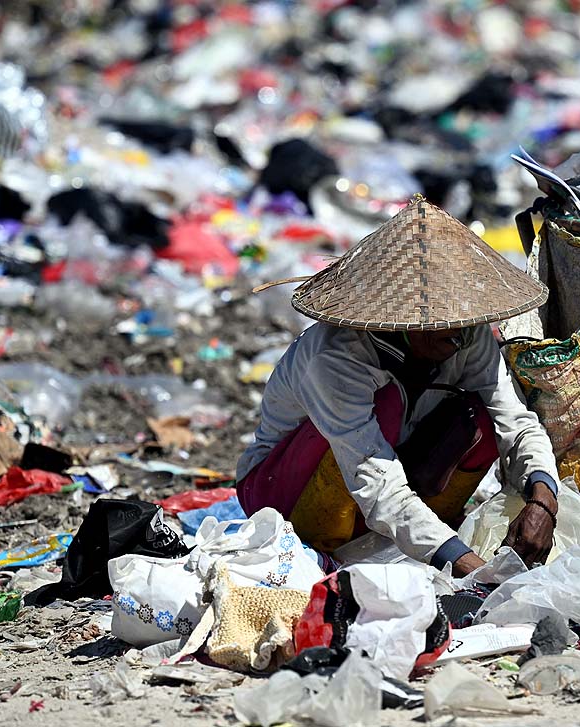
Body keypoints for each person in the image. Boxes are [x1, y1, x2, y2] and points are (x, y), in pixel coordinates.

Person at [237, 196, 560, 576]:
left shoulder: (467, 334)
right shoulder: (336, 360)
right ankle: (355, 550)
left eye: (463, 324)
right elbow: (374, 480)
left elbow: (514, 419)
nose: (458, 339)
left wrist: (543, 499)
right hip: (286, 492)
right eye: (443, 327)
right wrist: (468, 566)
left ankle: (425, 540)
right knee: (386, 407)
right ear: (403, 323)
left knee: (481, 421)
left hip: (387, 481)